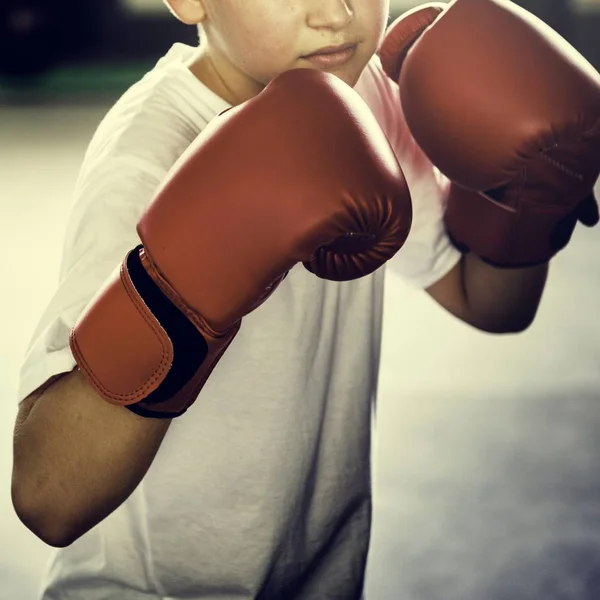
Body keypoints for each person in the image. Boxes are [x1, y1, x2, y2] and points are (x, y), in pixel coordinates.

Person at [11, 0, 599, 599]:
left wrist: (532, 201)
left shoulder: (363, 96)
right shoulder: (145, 159)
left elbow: (490, 303)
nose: (337, 12)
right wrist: (188, 280)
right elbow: (49, 499)